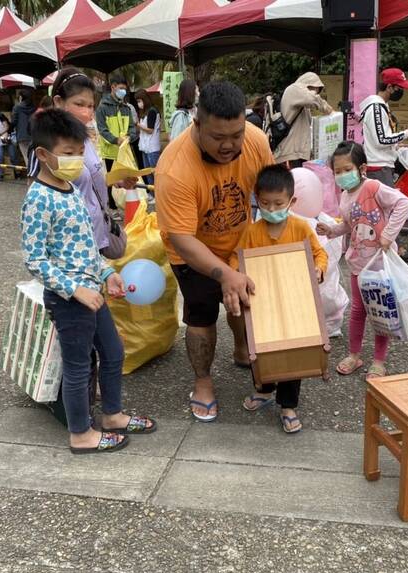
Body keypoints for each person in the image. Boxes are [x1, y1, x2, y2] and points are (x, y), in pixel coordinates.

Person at [21, 108, 156, 453]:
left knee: (113, 353)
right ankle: (80, 433)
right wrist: (74, 289)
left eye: (80, 153)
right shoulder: (38, 199)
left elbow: (86, 247)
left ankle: (112, 415)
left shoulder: (69, 190)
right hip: (69, 300)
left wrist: (107, 273)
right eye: (67, 153)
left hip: (92, 292)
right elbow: (34, 259)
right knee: (79, 366)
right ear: (43, 154)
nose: (76, 160)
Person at [154, 81, 274, 422]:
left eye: (235, 134)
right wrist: (225, 274)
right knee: (202, 316)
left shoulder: (254, 140)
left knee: (242, 303)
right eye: (218, 137)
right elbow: (183, 240)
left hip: (238, 241)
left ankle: (240, 349)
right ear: (197, 124)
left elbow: (271, 189)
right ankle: (203, 381)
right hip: (192, 251)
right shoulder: (174, 169)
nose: (229, 145)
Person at [230, 165, 327, 433]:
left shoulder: (300, 227)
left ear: (291, 201)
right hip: (261, 303)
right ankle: (263, 389)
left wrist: (318, 269)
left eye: (279, 203)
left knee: (292, 352)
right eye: (265, 203)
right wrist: (237, 276)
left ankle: (288, 405)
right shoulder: (252, 231)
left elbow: (319, 255)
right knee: (258, 349)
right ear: (256, 200)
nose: (272, 209)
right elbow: (235, 258)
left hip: (296, 300)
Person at [316, 141, 408, 379]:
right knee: (358, 310)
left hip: (380, 264)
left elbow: (403, 203)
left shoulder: (373, 187)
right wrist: (331, 230)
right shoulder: (346, 197)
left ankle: (379, 361)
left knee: (380, 312)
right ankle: (354, 355)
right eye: (337, 171)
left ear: (362, 168)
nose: (342, 175)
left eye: (347, 169)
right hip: (358, 263)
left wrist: (388, 235)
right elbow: (350, 225)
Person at [52, 67, 127, 257]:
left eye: (91, 106)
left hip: (96, 232)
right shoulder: (48, 145)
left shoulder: (84, 138)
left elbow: (90, 179)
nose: (87, 112)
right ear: (59, 102)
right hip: (72, 245)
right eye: (79, 104)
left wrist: (117, 180)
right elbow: (41, 197)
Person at [360, 67, 408, 264]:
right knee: (389, 209)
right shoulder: (377, 108)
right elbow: (381, 139)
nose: (401, 91)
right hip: (378, 167)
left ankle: (387, 246)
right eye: (399, 87)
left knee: (383, 209)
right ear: (389, 87)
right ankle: (395, 247)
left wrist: (397, 143)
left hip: (381, 164)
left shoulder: (379, 107)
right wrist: (405, 134)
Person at [273, 72, 333, 168]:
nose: (316, 94)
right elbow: (313, 99)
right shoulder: (294, 89)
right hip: (290, 154)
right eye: (314, 91)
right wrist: (330, 111)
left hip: (297, 154)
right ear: (307, 85)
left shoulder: (303, 105)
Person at [95, 75, 138, 176]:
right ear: (113, 87)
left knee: (127, 183)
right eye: (121, 88)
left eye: (125, 89)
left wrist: (130, 137)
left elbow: (132, 127)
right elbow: (102, 130)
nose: (124, 92)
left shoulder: (126, 108)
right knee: (113, 184)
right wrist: (116, 140)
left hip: (125, 152)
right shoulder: (102, 108)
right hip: (110, 155)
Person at [134, 89, 161, 183]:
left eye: (139, 101)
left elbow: (150, 130)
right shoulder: (144, 112)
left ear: (144, 99)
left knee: (155, 172)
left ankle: (158, 193)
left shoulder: (152, 111)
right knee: (147, 171)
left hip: (152, 148)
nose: (138, 104)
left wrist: (138, 125)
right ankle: (152, 193)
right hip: (145, 147)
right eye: (137, 101)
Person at [11, 88, 35, 166]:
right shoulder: (34, 107)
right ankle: (35, 172)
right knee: (34, 155)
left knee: (26, 156)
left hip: (22, 135)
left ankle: (30, 174)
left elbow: (13, 122)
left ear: (21, 97)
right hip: (34, 135)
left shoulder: (17, 107)